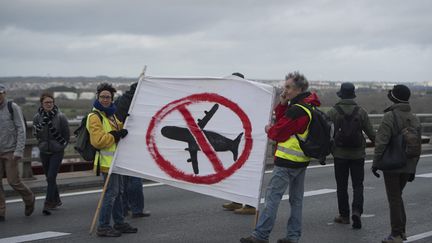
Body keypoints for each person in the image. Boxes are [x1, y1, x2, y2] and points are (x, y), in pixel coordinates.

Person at [241, 71, 319, 243]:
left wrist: (269, 129)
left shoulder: (297, 111)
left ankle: (260, 235)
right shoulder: (308, 107)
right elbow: (287, 123)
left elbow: (279, 132)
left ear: (299, 89)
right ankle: (293, 237)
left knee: (272, 199)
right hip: (301, 161)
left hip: (286, 162)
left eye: (288, 87)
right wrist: (283, 104)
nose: (285, 91)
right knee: (296, 201)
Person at [372, 85, 421, 243]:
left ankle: (397, 234)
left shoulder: (390, 116)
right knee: (397, 197)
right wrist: (413, 168)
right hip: (408, 164)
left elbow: (381, 142)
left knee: (394, 199)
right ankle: (402, 232)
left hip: (392, 164)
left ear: (395, 98)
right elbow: (417, 146)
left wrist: (376, 162)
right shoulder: (414, 117)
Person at [88, 83, 137, 237]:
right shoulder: (94, 117)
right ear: (97, 97)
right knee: (111, 194)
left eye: (108, 97)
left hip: (117, 161)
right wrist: (115, 135)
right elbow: (98, 141)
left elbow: (119, 129)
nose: (105, 100)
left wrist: (127, 123)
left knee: (119, 193)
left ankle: (119, 222)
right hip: (106, 162)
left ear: (112, 99)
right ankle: (103, 226)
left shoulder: (112, 115)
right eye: (102, 97)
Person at [326, 83, 375, 229]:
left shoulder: (333, 112)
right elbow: (372, 134)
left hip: (339, 154)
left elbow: (326, 134)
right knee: (358, 185)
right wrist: (382, 148)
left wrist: (324, 152)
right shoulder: (361, 112)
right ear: (353, 95)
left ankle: (344, 216)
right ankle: (357, 211)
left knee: (341, 186)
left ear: (341, 95)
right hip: (358, 154)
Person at [114, 82, 151, 218]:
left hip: (120, 142)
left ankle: (124, 208)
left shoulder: (121, 101)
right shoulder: (140, 104)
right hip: (133, 143)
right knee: (135, 178)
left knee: (123, 179)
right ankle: (137, 209)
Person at [221, 72, 256, 215]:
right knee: (236, 171)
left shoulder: (249, 97)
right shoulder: (233, 96)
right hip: (235, 139)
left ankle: (250, 205)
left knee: (248, 173)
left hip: (248, 140)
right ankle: (236, 200)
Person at [0, 83, 35, 222]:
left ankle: (29, 198)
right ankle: (1, 211)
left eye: (0, 93)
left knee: (13, 181)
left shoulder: (12, 107)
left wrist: (19, 150)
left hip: (11, 151)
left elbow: (21, 129)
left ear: (4, 93)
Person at [33, 93, 70, 215]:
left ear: (54, 103)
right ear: (42, 104)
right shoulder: (37, 118)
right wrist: (41, 144)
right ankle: (57, 200)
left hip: (57, 151)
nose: (49, 104)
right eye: (46, 102)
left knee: (51, 177)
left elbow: (66, 135)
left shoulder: (61, 117)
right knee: (50, 178)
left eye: (51, 102)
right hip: (44, 150)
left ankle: (48, 203)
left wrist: (61, 146)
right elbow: (36, 133)